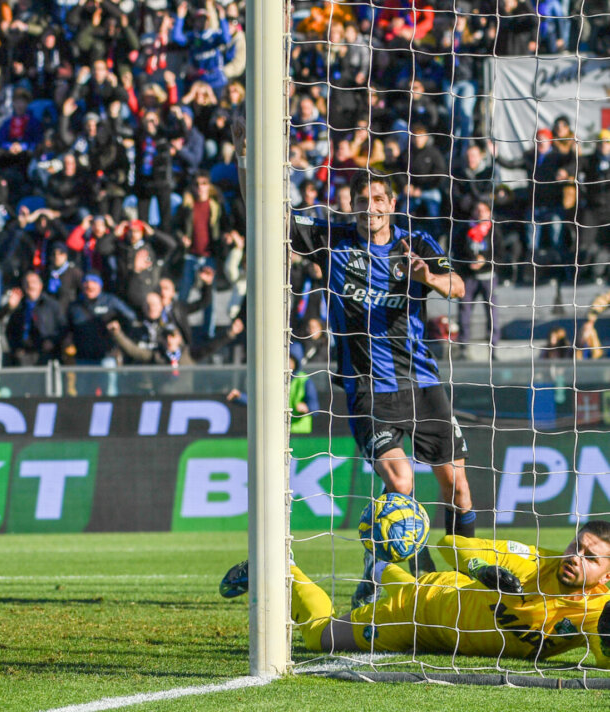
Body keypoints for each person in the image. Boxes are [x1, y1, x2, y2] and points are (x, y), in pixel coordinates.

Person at [235, 124, 473, 577]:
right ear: (352, 205)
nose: (370, 208)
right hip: (368, 389)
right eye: (362, 201)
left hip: (422, 383)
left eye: (378, 200)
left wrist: (427, 279)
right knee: (400, 481)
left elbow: (458, 286)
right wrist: (246, 159)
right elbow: (266, 214)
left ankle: (464, 579)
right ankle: (407, 576)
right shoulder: (333, 237)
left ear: (392, 205)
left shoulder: (415, 244)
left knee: (458, 488)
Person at [291, 523, 610, 668]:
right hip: (421, 612)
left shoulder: (599, 610)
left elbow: (603, 659)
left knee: (408, 583)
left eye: (589, 557)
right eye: (575, 547)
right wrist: (480, 568)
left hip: (447, 631)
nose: (574, 557)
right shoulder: (533, 561)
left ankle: (377, 566)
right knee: (320, 637)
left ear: (607, 576)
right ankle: (282, 567)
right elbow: (448, 543)